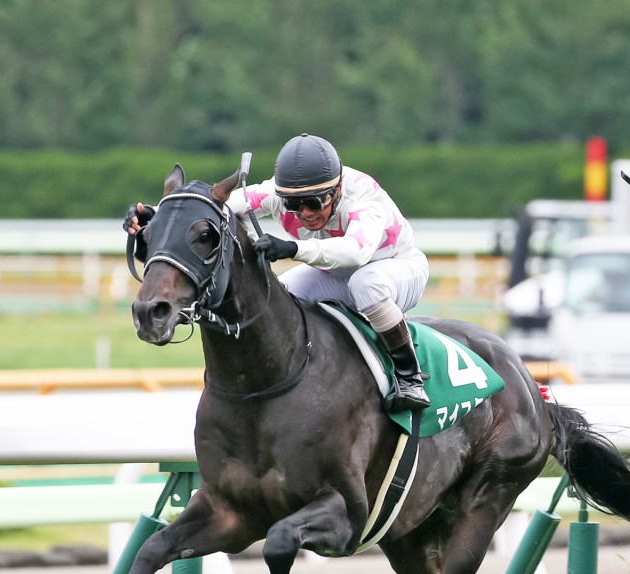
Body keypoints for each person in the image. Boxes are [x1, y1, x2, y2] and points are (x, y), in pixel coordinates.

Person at [124, 133, 430, 412]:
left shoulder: (362, 198)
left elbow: (355, 252)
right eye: (294, 204)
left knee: (367, 284)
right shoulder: (276, 192)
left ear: (337, 191)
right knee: (281, 295)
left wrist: (293, 249)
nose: (306, 213)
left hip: (396, 269)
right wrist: (158, 215)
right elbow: (213, 208)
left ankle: (409, 375)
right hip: (337, 274)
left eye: (315, 202)